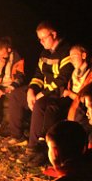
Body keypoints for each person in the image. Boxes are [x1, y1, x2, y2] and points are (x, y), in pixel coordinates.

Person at [24, 22, 74, 162]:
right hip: (47, 93)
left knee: (45, 105)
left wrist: (42, 93)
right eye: (39, 39)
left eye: (44, 38)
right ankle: (32, 146)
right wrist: (31, 90)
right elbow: (38, 75)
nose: (41, 42)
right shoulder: (44, 53)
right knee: (24, 98)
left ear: (54, 34)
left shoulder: (66, 51)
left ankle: (42, 147)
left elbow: (63, 78)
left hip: (60, 94)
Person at [0, 37, 25, 136]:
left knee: (14, 97)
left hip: (12, 86)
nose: (0, 56)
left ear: (9, 49)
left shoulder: (18, 58)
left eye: (2, 54)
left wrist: (8, 89)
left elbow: (20, 77)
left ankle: (10, 126)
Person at [64, 44, 92, 133]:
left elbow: (84, 97)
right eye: (70, 57)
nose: (71, 60)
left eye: (74, 56)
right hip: (74, 109)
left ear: (83, 55)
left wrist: (70, 94)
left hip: (84, 112)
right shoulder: (73, 74)